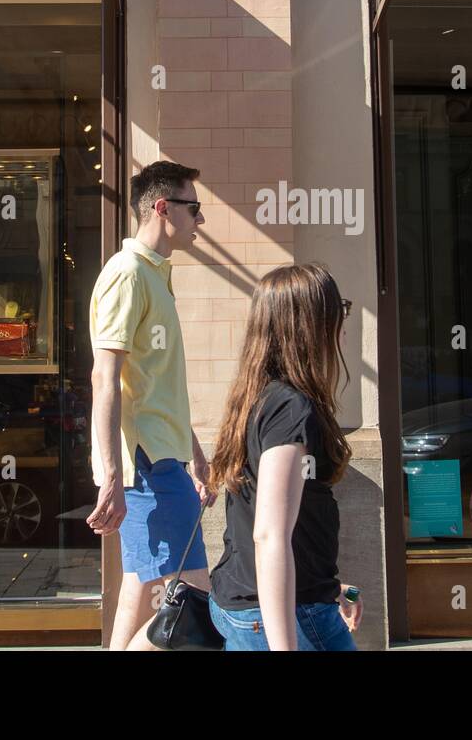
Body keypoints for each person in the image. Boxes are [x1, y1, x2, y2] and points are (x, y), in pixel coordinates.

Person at [85, 160, 214, 651]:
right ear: (163, 208)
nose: (199, 220)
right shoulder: (128, 275)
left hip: (162, 457)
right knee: (194, 600)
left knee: (140, 591)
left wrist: (194, 452)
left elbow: (155, 384)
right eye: (193, 208)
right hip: (146, 467)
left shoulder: (156, 275)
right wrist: (114, 478)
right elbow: (105, 377)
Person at [207, 263, 363, 651]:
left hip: (268, 605)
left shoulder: (259, 399)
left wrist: (327, 585)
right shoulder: (290, 408)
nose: (343, 320)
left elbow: (281, 520)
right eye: (338, 309)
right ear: (312, 323)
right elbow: (269, 534)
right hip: (280, 616)